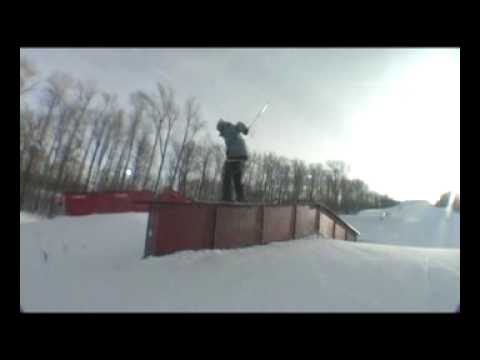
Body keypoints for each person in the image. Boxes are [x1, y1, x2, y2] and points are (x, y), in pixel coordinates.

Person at [216, 119, 249, 202]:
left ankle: (227, 197)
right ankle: (241, 197)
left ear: (222, 127)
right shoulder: (228, 131)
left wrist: (244, 129)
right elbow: (231, 141)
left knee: (227, 174)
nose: (221, 133)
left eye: (220, 130)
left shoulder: (229, 128)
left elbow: (239, 125)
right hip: (241, 154)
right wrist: (228, 151)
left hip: (235, 154)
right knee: (237, 176)